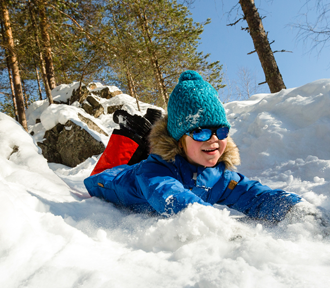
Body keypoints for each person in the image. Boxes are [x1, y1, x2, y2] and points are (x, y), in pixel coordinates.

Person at [84, 70, 301, 222]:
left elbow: (252, 194)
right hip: (108, 181)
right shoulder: (153, 172)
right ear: (179, 139)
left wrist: (291, 207)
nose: (213, 139)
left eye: (221, 130)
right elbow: (170, 195)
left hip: (142, 169)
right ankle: (130, 136)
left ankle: (140, 135)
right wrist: (214, 223)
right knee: (111, 171)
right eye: (200, 131)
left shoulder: (220, 176)